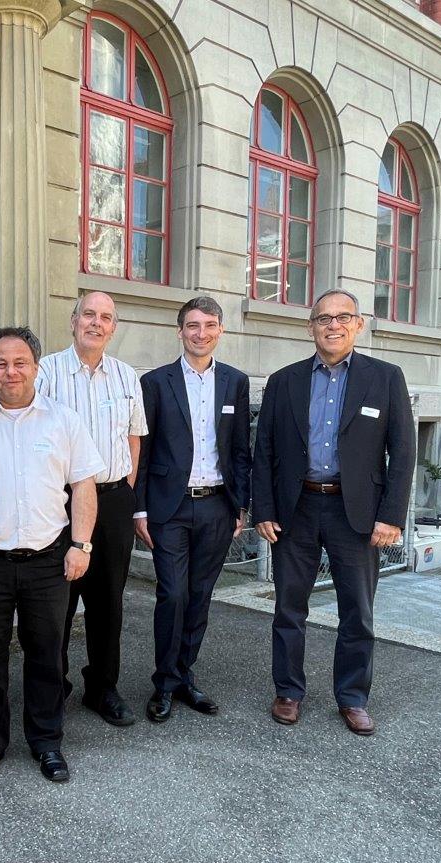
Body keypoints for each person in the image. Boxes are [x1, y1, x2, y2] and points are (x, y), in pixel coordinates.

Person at [252, 288, 415, 736]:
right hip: (296, 508)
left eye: (344, 317)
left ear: (358, 325)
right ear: (311, 327)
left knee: (357, 611)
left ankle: (353, 696)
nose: (333, 325)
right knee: (289, 607)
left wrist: (392, 515)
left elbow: (402, 452)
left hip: (356, 512)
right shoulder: (284, 381)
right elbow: (264, 449)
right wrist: (262, 508)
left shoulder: (385, 377)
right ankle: (288, 691)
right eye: (324, 318)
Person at [0, 327, 104, 784]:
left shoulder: (64, 420)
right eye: (1, 363)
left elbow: (83, 485)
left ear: (36, 368)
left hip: (49, 558)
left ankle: (47, 742)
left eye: (20, 363)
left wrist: (81, 545)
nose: (10, 371)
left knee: (46, 655)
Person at [134, 296, 251, 723]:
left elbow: (240, 448)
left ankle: (185, 676)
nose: (201, 333)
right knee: (174, 594)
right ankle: (164, 682)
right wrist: (139, 509)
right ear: (180, 330)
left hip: (218, 505)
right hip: (170, 507)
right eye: (193, 325)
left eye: (209, 325)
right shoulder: (155, 382)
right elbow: (141, 449)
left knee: (200, 596)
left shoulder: (236, 382)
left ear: (220, 331)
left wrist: (242, 505)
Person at [37, 292, 148, 726]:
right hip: (61, 502)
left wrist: (124, 487)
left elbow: (134, 438)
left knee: (107, 603)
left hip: (113, 500)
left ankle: (102, 687)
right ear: (73, 321)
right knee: (56, 602)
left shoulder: (126, 377)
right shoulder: (47, 371)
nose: (96, 323)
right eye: (89, 314)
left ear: (113, 327)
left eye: (105, 317)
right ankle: (53, 685)